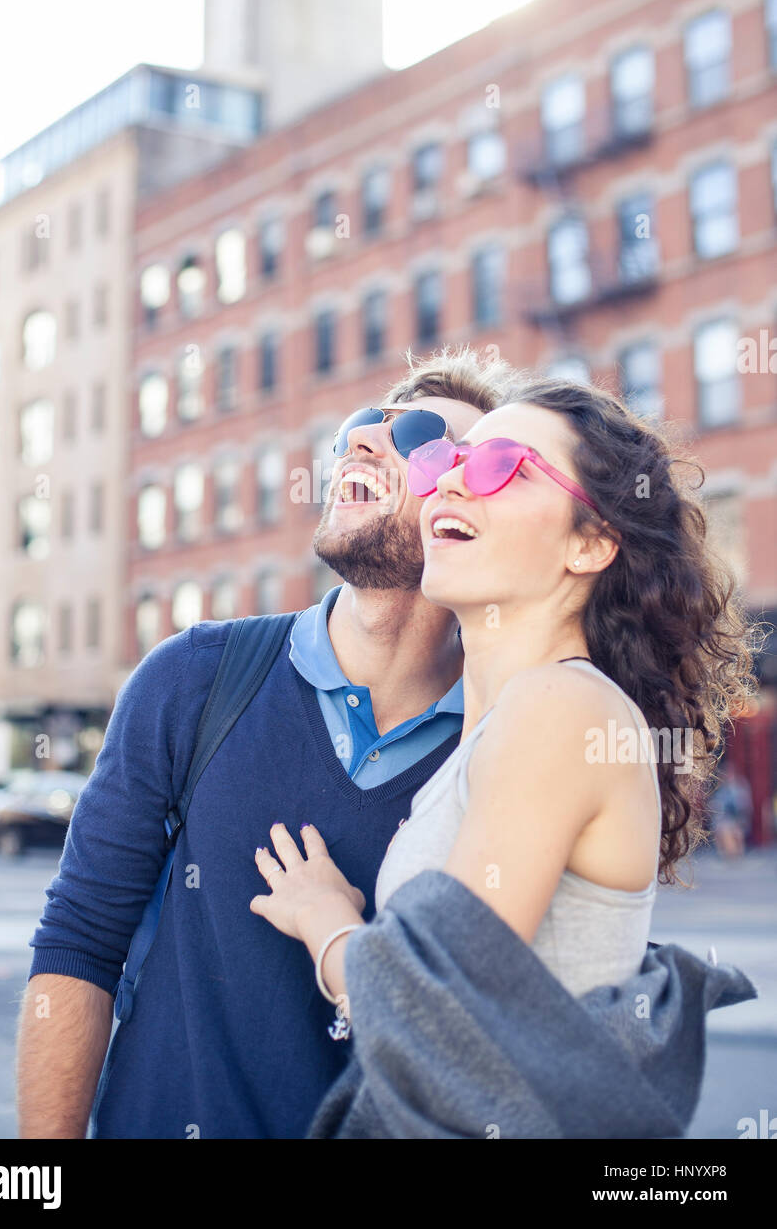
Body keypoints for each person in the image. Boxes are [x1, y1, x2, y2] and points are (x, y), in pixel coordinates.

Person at [15, 344, 511, 1139]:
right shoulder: (193, 677)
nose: (361, 441)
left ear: (472, 508)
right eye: (360, 425)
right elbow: (78, 940)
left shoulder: (505, 746)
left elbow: (489, 1041)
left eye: (415, 433)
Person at [249, 376, 762, 1138]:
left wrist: (326, 924)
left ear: (589, 543)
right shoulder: (502, 730)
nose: (451, 478)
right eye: (449, 462)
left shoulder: (558, 708)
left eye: (503, 467)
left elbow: (437, 1010)